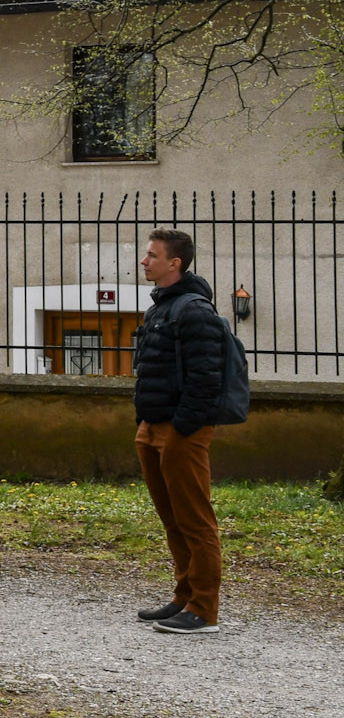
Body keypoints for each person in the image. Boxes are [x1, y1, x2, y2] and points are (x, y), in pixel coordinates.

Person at [132, 228, 231, 635]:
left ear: (175, 263)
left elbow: (206, 378)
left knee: (195, 520)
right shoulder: (160, 307)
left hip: (181, 430)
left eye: (152, 255)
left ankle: (204, 610)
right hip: (152, 427)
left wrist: (183, 427)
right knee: (172, 519)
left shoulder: (194, 311)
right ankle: (183, 596)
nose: (144, 260)